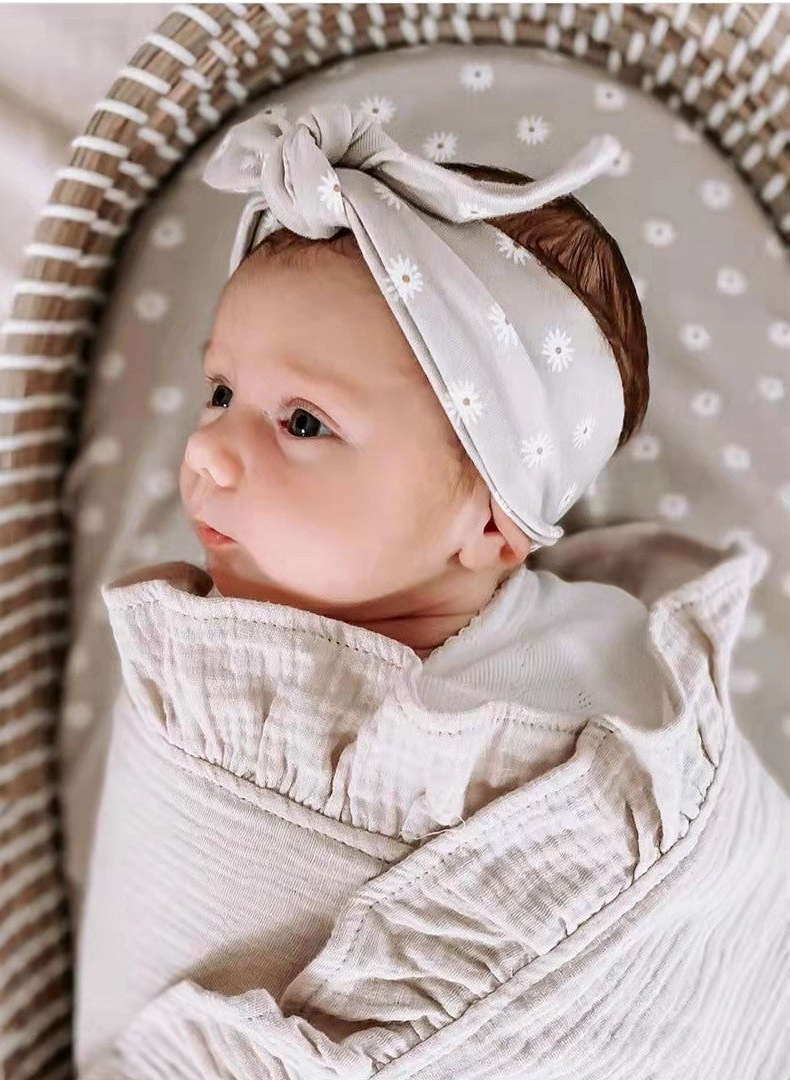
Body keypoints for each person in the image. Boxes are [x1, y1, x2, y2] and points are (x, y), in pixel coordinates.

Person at [73, 103, 790, 1079]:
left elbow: (715, 899)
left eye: (303, 422)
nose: (207, 450)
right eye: (221, 392)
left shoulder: (609, 687)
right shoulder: (208, 685)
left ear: (490, 526)